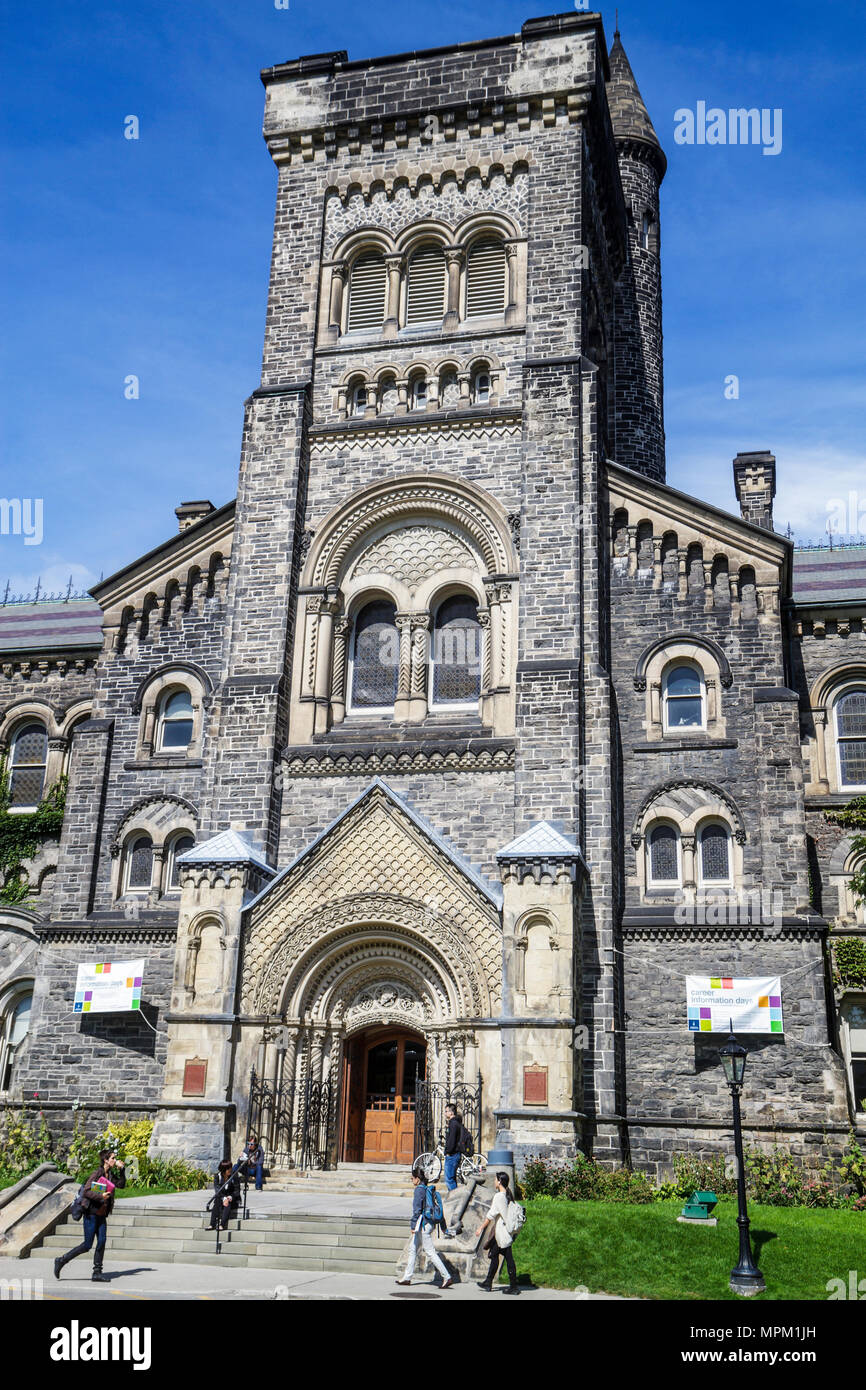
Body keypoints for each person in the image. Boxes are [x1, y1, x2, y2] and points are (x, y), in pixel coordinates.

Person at [54, 1148, 126, 1283]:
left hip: (101, 1215)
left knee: (102, 1241)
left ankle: (97, 1272)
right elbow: (86, 1191)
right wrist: (101, 1197)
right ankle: (61, 1260)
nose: (115, 1161)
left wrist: (122, 1170)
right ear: (106, 1160)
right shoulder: (97, 1174)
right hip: (91, 1214)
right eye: (113, 1158)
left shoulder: (109, 1175)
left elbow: (121, 1185)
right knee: (87, 1245)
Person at [395, 1166, 453, 1289]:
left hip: (423, 1224)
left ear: (417, 1178)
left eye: (412, 1178)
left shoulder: (419, 1190)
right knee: (413, 1249)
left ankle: (447, 1276)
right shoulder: (426, 1188)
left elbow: (417, 1210)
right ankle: (407, 1277)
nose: (412, 1180)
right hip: (427, 1223)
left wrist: (412, 1225)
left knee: (430, 1251)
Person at [475, 1171, 520, 1295]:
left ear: (499, 1182)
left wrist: (480, 1228)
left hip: (502, 1233)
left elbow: (490, 1215)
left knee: (509, 1258)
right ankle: (488, 1282)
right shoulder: (506, 1194)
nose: (494, 1181)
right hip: (502, 1232)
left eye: (495, 1179)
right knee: (494, 1255)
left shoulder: (499, 1196)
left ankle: (514, 1287)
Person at [209, 1159, 241, 1230]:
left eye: (230, 1168)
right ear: (223, 1170)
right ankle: (212, 1224)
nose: (230, 1170)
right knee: (217, 1200)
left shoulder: (234, 1175)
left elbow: (237, 1191)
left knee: (227, 1203)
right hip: (221, 1198)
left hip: (233, 1198)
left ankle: (222, 1225)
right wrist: (224, 1198)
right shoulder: (217, 1177)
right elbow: (217, 1191)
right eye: (228, 1169)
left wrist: (230, 1197)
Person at [443, 1103, 462, 1193]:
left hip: (452, 1155)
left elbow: (452, 1140)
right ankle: (455, 1199)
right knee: (452, 1179)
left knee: (449, 1180)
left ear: (451, 1112)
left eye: (446, 1111)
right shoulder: (455, 1123)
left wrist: (447, 1151)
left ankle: (454, 1200)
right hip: (455, 1154)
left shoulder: (453, 1124)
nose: (445, 1113)